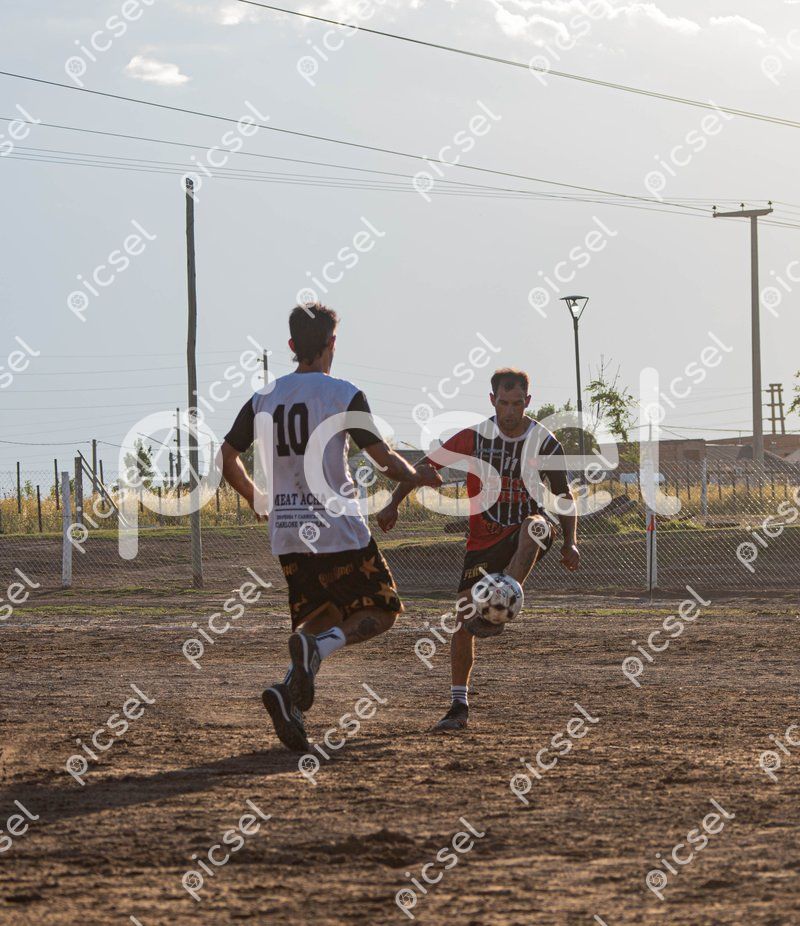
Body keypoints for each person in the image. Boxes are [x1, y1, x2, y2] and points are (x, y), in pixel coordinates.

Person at [221, 303, 442, 751]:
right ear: (332, 343)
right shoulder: (342, 394)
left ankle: (288, 698)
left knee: (319, 617)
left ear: (291, 345)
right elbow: (384, 461)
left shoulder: (264, 398)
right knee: (383, 610)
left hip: (287, 531)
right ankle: (315, 652)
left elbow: (226, 458)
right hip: (336, 527)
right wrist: (417, 475)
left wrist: (255, 497)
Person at [377, 368, 579, 731]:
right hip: (483, 541)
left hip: (525, 532)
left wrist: (571, 541)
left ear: (527, 401)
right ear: (492, 401)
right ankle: (459, 706)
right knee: (463, 623)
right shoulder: (475, 437)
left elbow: (564, 497)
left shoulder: (545, 442)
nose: (510, 411)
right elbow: (424, 466)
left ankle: (504, 598)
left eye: (517, 403)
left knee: (534, 526)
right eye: (504, 403)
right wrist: (393, 503)